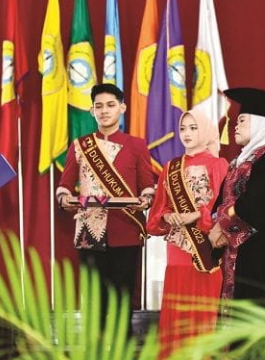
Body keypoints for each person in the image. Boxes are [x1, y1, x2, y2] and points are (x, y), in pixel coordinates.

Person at [56, 83, 155, 332]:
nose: (104, 111)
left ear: (122, 108)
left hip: (125, 229)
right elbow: (64, 185)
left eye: (110, 105)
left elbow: (147, 185)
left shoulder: (137, 145)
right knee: (94, 299)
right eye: (98, 106)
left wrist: (146, 198)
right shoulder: (80, 145)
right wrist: (64, 198)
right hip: (90, 229)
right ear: (91, 111)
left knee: (123, 298)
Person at [147, 108, 228, 358]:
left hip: (206, 248)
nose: (187, 133)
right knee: (178, 305)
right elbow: (158, 212)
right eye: (183, 128)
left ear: (204, 130)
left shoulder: (218, 165)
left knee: (204, 305)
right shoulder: (170, 168)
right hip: (177, 249)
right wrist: (168, 216)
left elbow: (225, 208)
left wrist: (197, 214)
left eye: (193, 128)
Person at [209, 87, 265, 314]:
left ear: (261, 124)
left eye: (242, 120)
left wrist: (222, 227)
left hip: (261, 255)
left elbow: (255, 205)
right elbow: (221, 202)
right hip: (236, 253)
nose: (235, 125)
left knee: (256, 318)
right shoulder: (237, 162)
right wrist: (216, 226)